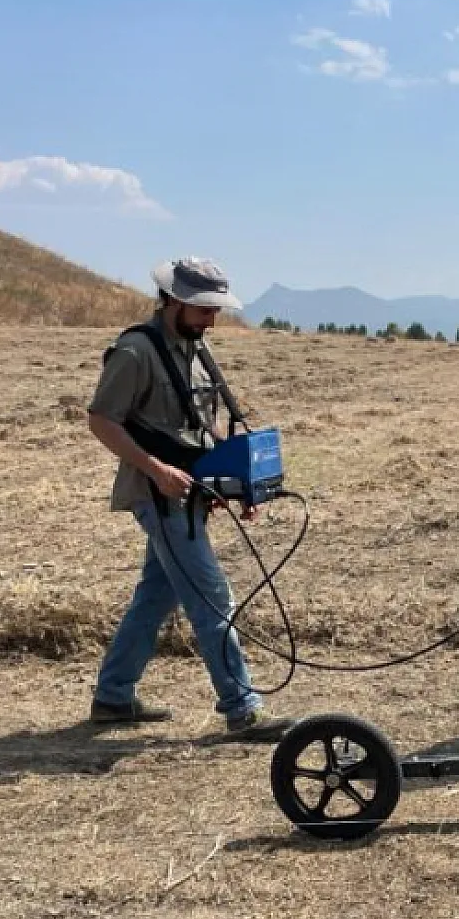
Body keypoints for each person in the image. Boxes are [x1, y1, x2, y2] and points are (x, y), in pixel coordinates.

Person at [84, 256, 296, 741]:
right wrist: (156, 470)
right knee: (210, 596)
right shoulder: (135, 352)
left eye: (215, 310)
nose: (212, 320)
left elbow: (204, 427)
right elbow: (102, 420)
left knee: (156, 595)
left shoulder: (196, 351)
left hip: (193, 491)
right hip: (158, 495)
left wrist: (238, 481)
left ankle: (113, 698)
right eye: (203, 310)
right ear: (174, 302)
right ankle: (242, 710)